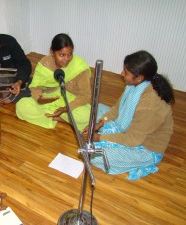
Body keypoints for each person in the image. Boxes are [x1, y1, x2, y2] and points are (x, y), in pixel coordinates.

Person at [83, 50, 174, 180]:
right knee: (96, 111)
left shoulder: (149, 106)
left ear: (139, 78)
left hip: (145, 147)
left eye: (125, 72)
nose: (122, 74)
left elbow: (132, 139)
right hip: (133, 130)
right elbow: (116, 109)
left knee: (93, 154)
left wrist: (98, 137)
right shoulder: (135, 85)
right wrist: (98, 123)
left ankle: (140, 161)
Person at [16, 33, 92, 131]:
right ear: (52, 52)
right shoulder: (45, 64)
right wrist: (40, 99)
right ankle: (59, 118)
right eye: (62, 55)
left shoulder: (79, 67)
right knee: (22, 105)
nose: (67, 59)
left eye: (70, 54)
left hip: (70, 101)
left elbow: (85, 96)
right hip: (49, 99)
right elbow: (35, 87)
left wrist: (65, 108)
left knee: (88, 116)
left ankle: (56, 117)